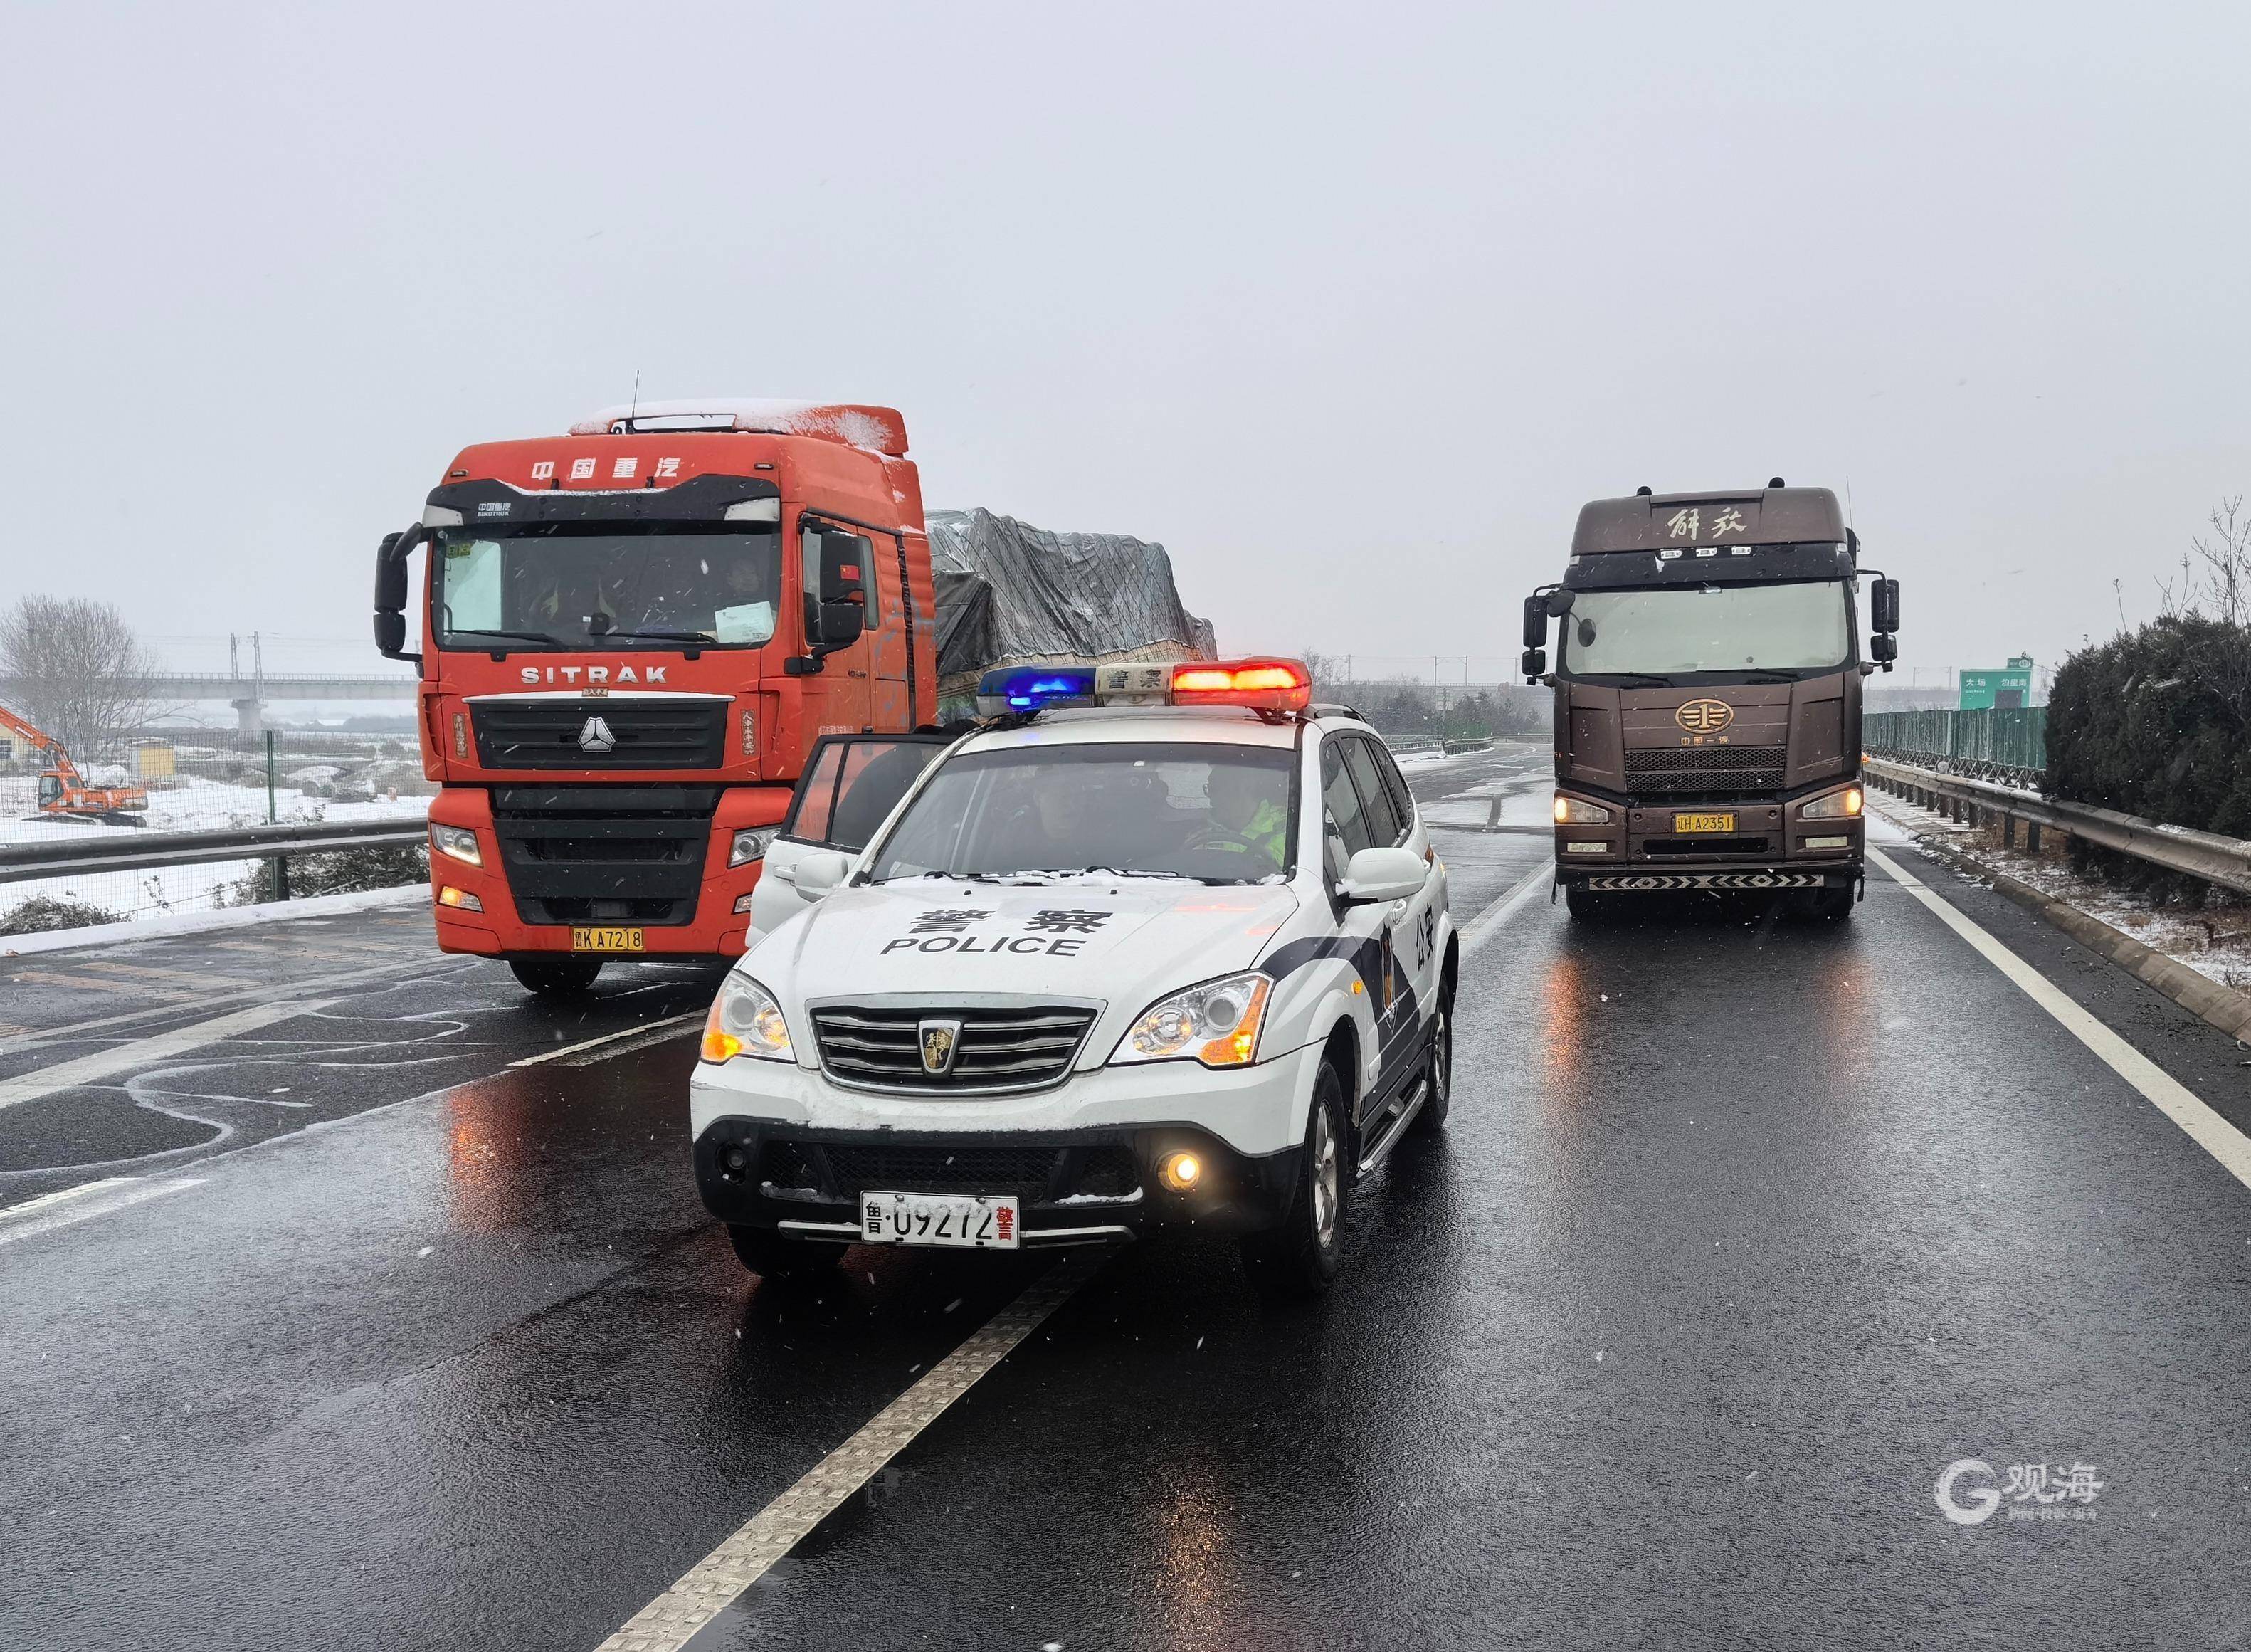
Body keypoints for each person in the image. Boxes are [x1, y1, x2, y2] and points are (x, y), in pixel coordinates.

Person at [1191, 763, 1290, 871]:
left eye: (1214, 788)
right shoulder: (1202, 833)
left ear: (1243, 789)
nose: (1209, 795)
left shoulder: (1287, 836)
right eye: (1209, 788)